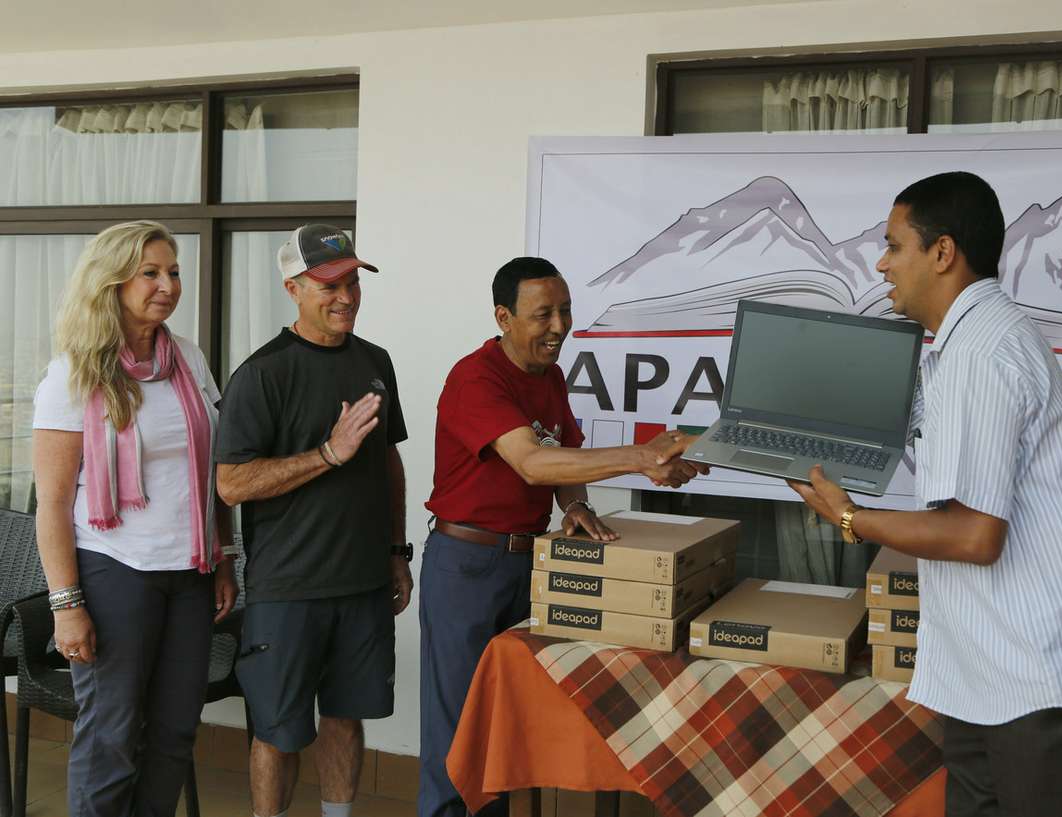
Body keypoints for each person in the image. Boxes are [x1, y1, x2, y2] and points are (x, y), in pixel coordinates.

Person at [791, 172, 1062, 817]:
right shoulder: (962, 345)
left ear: (942, 253)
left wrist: (851, 517)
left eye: (893, 246)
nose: (881, 264)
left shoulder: (982, 352)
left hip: (1055, 682)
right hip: (998, 678)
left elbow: (974, 536)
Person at [419, 256, 702, 817]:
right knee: (458, 733)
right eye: (542, 314)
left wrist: (574, 506)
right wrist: (642, 458)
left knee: (506, 729)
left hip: (528, 564)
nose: (558, 326)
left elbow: (562, 456)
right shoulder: (475, 378)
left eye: (566, 310)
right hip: (467, 568)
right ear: (503, 316)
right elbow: (531, 461)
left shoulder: (548, 376)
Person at [31, 221, 238, 817]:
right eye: (150, 272)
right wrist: (67, 605)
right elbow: (50, 504)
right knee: (112, 740)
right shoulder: (71, 375)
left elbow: (212, 475)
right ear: (112, 281)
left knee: (173, 736)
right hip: (112, 572)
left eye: (173, 271)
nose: (167, 284)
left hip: (190, 574)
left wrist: (223, 557)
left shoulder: (188, 359)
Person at [213, 224, 412, 817]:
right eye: (329, 284)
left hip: (363, 584)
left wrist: (396, 551)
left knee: (346, 718)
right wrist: (327, 454)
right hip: (288, 589)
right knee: (278, 731)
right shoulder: (262, 374)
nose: (345, 296)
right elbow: (230, 484)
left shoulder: (376, 362)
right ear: (293, 288)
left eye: (352, 281)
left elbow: (388, 461)